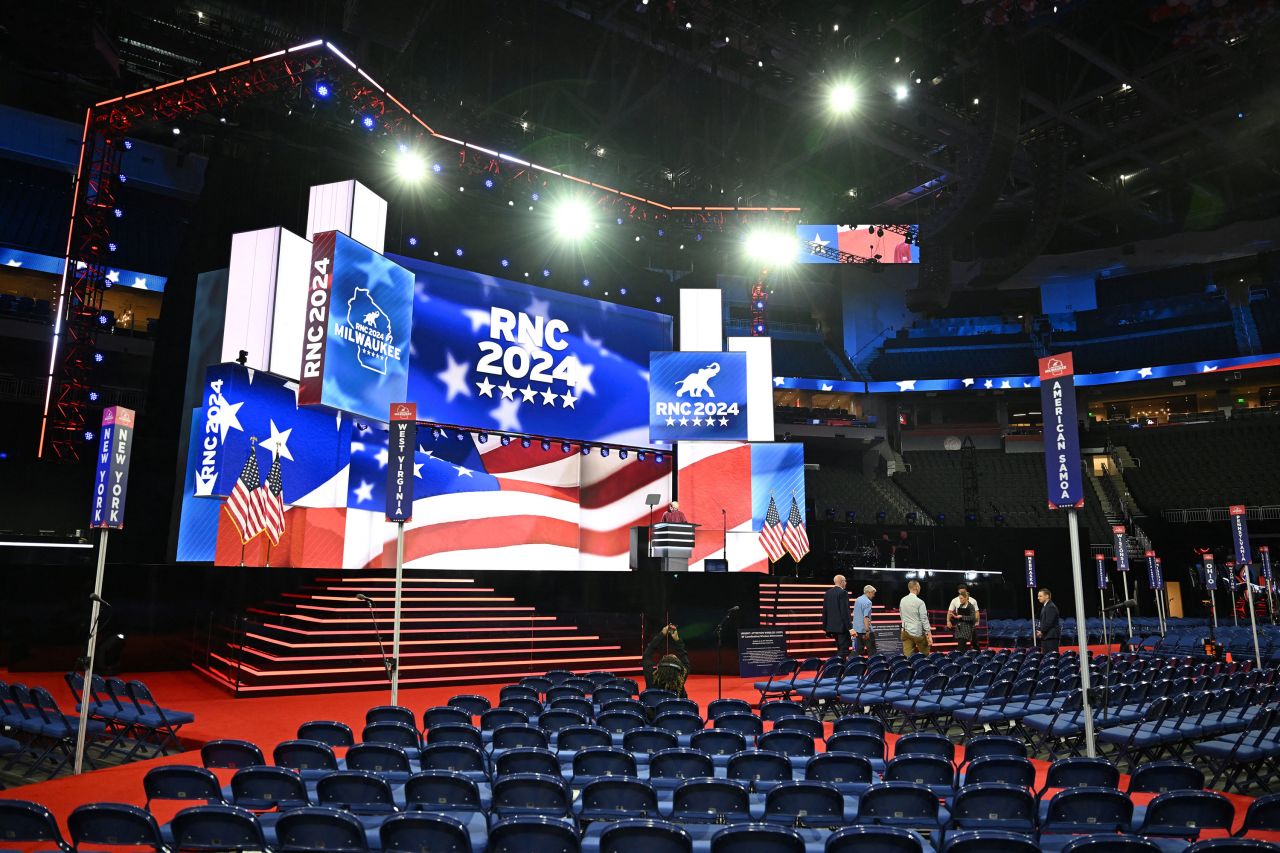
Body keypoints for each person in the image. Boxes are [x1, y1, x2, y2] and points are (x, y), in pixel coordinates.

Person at [642, 624, 689, 697]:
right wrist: (677, 640)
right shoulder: (680, 678)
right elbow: (685, 660)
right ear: (678, 668)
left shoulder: (651, 677)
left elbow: (647, 654)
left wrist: (662, 634)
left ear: (659, 666)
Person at [822, 574, 854, 658]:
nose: (846, 583)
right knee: (844, 650)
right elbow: (845, 612)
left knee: (840, 649)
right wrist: (850, 628)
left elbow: (824, 611)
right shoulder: (843, 592)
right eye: (845, 581)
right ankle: (835, 665)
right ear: (842, 582)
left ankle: (839, 668)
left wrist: (825, 627)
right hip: (842, 628)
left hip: (831, 627)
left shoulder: (827, 593)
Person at [899, 580, 931, 656]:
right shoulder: (920, 602)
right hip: (917, 633)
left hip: (905, 631)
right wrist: (929, 634)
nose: (920, 588)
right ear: (916, 587)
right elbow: (924, 619)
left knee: (907, 656)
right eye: (919, 586)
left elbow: (901, 615)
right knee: (925, 655)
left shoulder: (902, 600)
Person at [949, 588, 977, 653]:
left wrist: (962, 616)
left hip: (966, 630)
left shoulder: (971, 607)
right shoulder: (960, 606)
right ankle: (963, 659)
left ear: (965, 598)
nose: (960, 600)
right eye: (959, 598)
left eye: (961, 598)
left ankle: (961, 660)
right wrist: (953, 617)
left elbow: (973, 618)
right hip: (959, 630)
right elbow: (958, 618)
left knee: (961, 647)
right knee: (962, 647)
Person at [852, 584, 877, 656]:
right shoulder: (868, 602)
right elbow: (866, 617)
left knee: (858, 651)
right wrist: (867, 631)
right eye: (873, 593)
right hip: (864, 630)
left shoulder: (858, 599)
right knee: (872, 651)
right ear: (868, 592)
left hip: (856, 630)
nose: (874, 595)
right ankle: (872, 666)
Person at [1036, 588, 1061, 652]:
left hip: (1051, 637)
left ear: (1047, 596)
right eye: (1038, 596)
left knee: (1051, 658)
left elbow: (1049, 623)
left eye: (1040, 596)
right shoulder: (1045, 606)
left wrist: (1041, 631)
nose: (1038, 598)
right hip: (1047, 636)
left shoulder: (1050, 607)